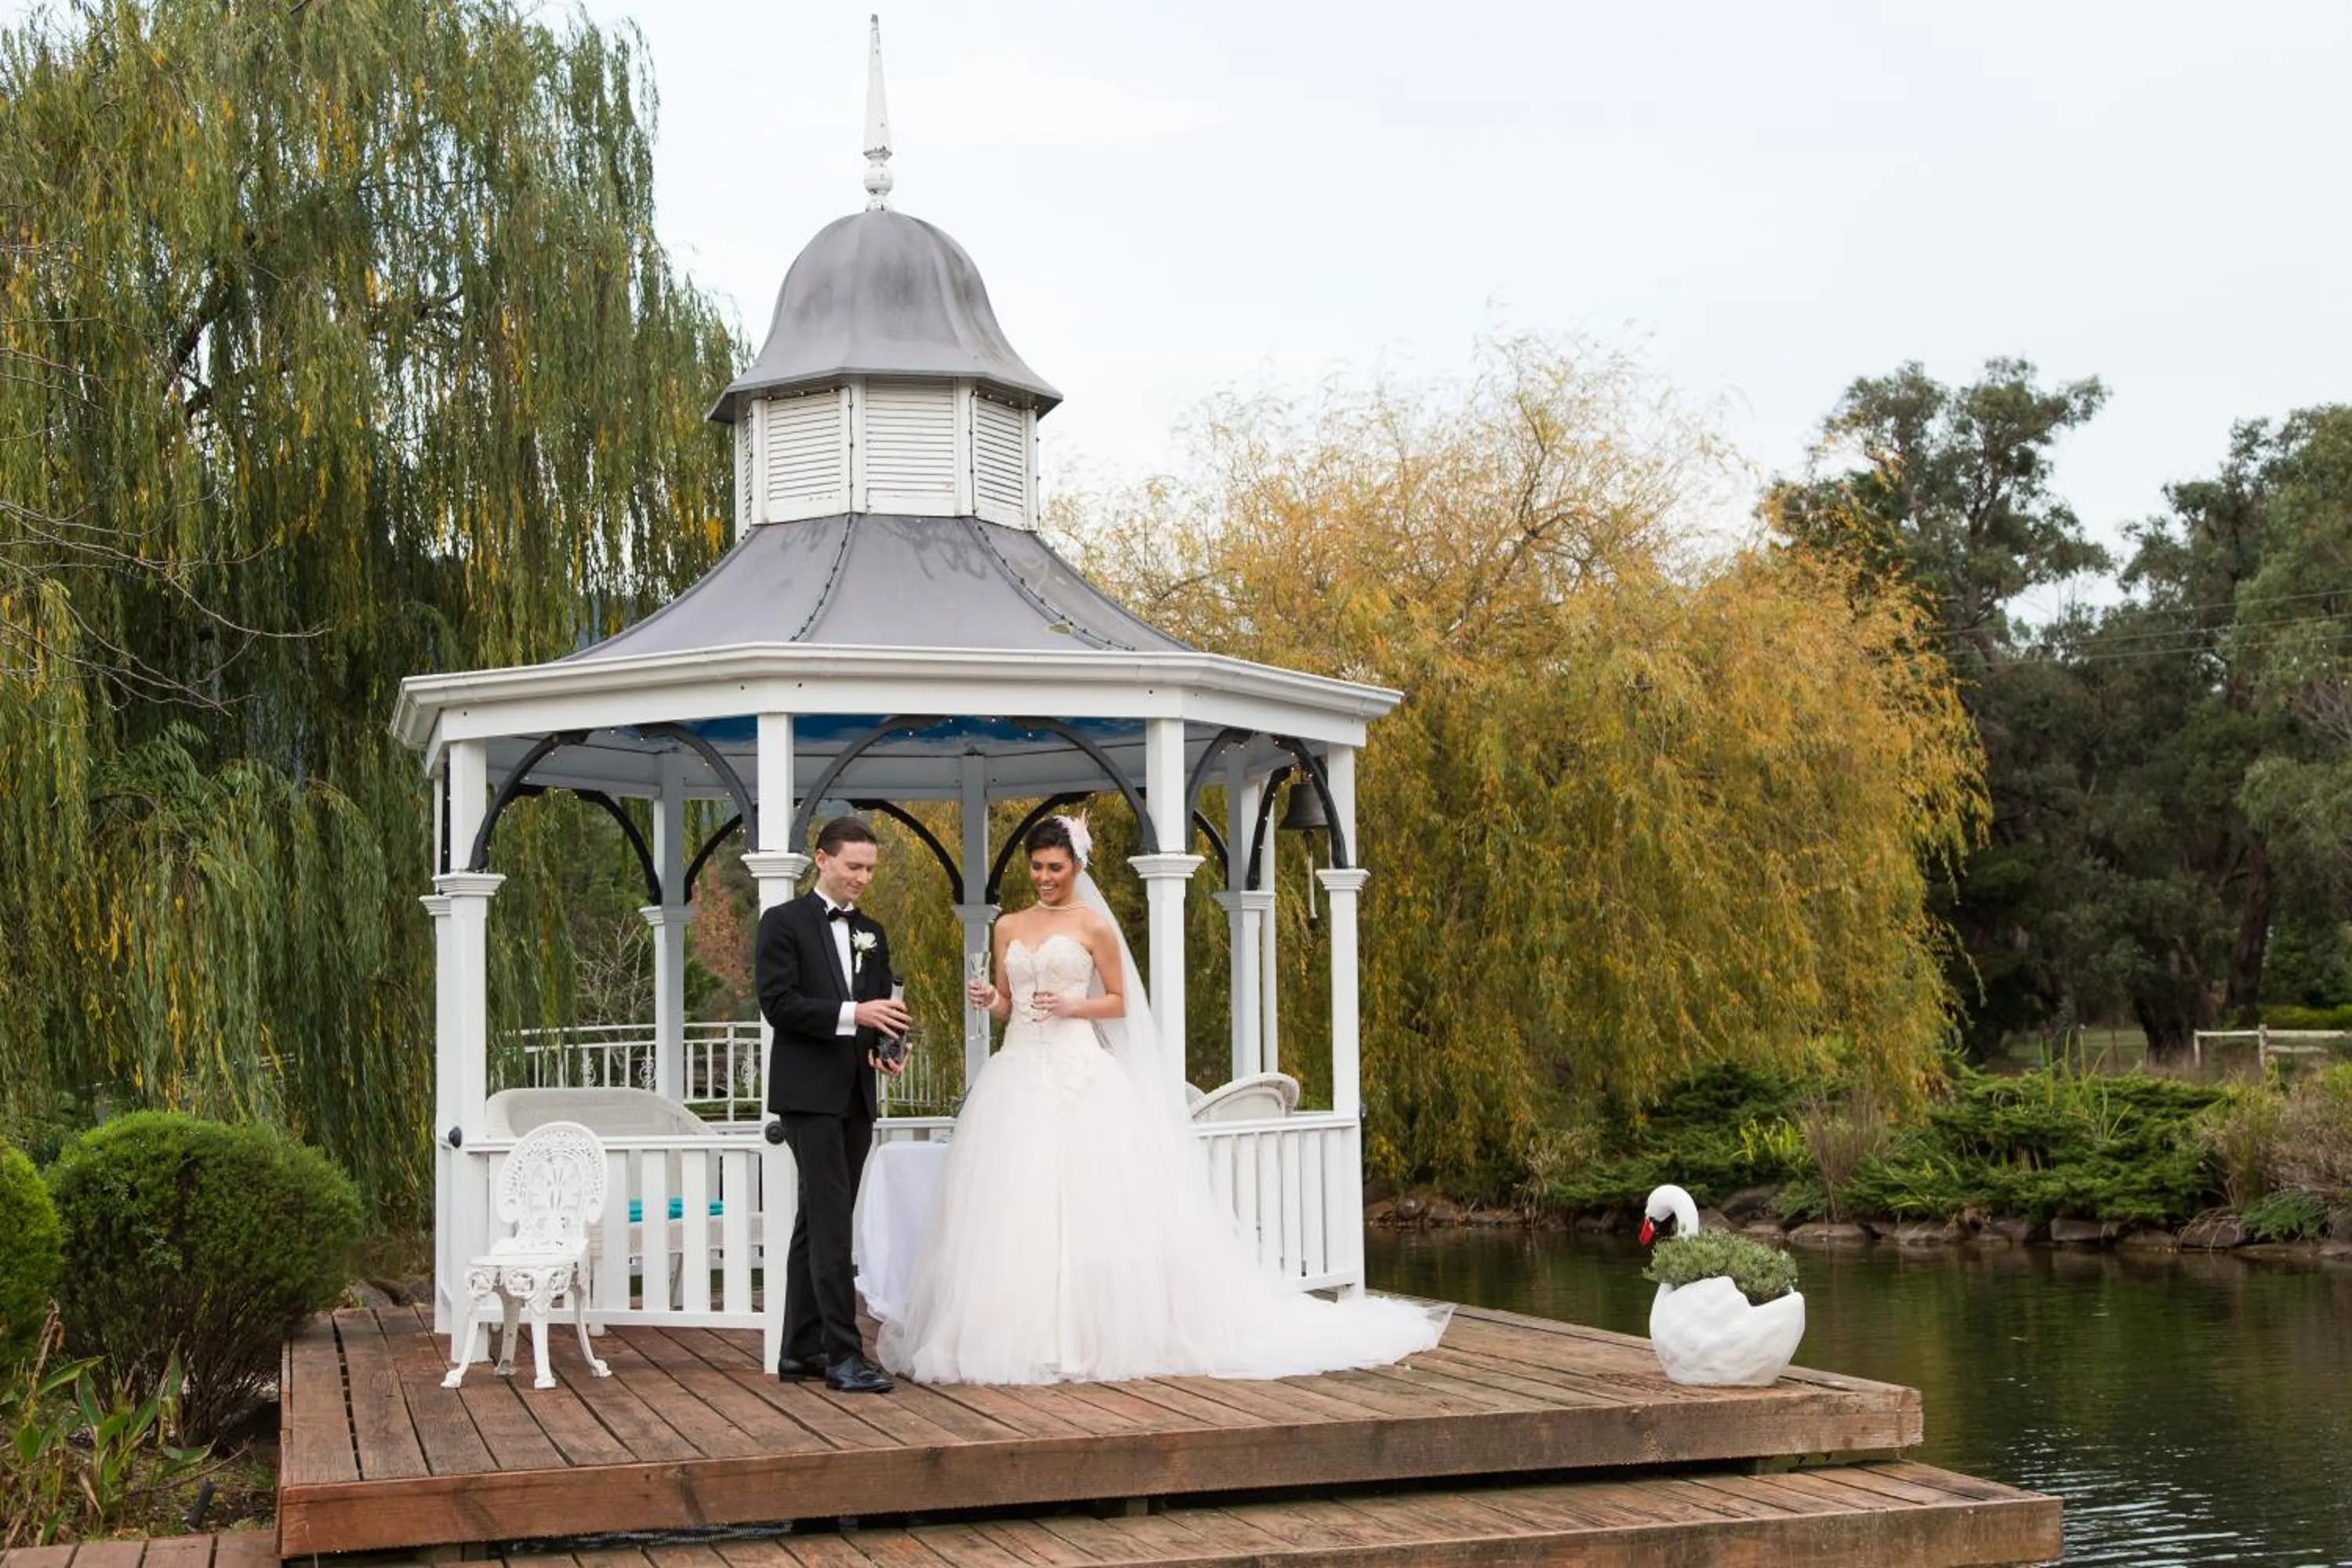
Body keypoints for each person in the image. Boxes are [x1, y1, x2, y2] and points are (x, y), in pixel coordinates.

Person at [876, 815, 1446, 1385]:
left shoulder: (1095, 927)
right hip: (1016, 1072)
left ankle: (1093, 1333)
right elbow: (1007, 1004)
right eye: (1037, 867)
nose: (1045, 877)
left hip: (1079, 1070)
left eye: (1055, 867)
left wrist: (1073, 1006)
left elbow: (1122, 1002)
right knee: (1015, 1205)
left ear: (1076, 866)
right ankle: (1017, 1334)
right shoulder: (1009, 927)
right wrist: (989, 999)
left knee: (1088, 1206)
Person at [756, 815, 909, 1394]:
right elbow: (780, 1005)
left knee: (814, 1222)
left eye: (870, 868)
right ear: (821, 860)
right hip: (807, 1095)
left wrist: (887, 1047)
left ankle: (799, 1351)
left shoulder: (873, 931)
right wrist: (854, 1015)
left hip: (854, 1092)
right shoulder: (783, 923)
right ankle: (843, 1355)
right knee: (831, 1222)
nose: (862, 878)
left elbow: (879, 1010)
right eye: (853, 866)